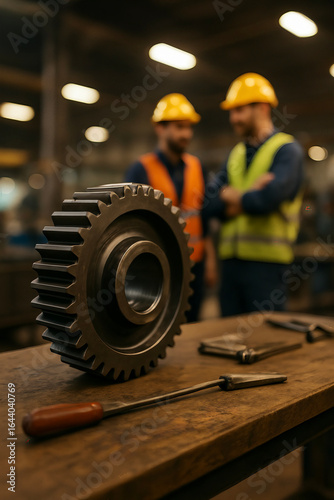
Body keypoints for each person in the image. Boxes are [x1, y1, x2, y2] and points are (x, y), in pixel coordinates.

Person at [204, 73, 304, 317]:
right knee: (227, 337)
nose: (233, 118)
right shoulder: (235, 154)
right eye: (231, 111)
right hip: (230, 265)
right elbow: (208, 204)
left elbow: (267, 201)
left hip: (267, 266)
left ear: (261, 108)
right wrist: (247, 196)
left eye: (239, 110)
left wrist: (229, 195)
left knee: (267, 341)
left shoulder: (287, 151)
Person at [125, 93, 217, 322]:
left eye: (188, 127)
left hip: (195, 264)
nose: (186, 134)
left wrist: (211, 261)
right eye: (179, 127)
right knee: (158, 325)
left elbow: (204, 219)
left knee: (193, 324)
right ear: (160, 128)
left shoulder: (197, 167)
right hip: (158, 267)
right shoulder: (140, 170)